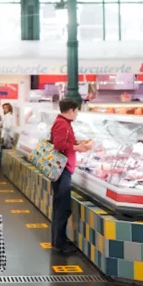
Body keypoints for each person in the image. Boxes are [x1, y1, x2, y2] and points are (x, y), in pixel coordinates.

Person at [49, 98, 91, 255]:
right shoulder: (62, 123)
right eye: (77, 111)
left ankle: (58, 240)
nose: (77, 114)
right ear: (71, 110)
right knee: (63, 208)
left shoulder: (63, 123)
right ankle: (60, 243)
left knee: (60, 206)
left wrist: (79, 144)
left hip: (62, 169)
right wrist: (77, 147)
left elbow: (64, 141)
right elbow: (59, 144)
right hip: (62, 170)